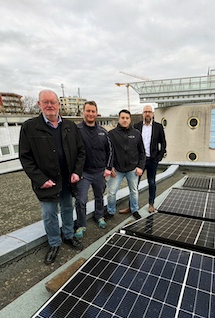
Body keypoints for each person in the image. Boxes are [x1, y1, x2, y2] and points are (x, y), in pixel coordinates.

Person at [19, 89, 85, 265]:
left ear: (58, 105)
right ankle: (54, 243)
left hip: (68, 179)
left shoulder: (70, 126)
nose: (50, 105)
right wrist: (40, 179)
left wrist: (77, 172)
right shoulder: (30, 127)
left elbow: (81, 152)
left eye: (53, 102)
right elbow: (26, 158)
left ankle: (69, 236)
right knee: (49, 214)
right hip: (47, 182)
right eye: (45, 102)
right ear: (39, 104)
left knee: (67, 209)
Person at [74, 101, 113, 238]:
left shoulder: (103, 132)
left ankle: (99, 216)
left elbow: (110, 152)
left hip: (100, 172)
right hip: (84, 173)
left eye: (93, 111)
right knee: (81, 200)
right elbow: (72, 153)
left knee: (99, 197)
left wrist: (108, 168)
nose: (90, 114)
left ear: (96, 113)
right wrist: (76, 172)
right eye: (88, 111)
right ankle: (81, 225)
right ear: (83, 112)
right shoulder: (76, 131)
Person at [119, 105, 166, 214]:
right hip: (139, 161)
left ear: (152, 114)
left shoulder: (158, 127)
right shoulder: (137, 126)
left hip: (152, 160)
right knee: (134, 185)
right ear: (143, 114)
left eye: (149, 112)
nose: (147, 114)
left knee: (152, 182)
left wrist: (158, 157)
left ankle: (151, 204)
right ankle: (131, 206)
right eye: (145, 112)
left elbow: (163, 143)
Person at [105, 109, 146, 220]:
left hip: (132, 169)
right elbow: (107, 152)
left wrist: (140, 167)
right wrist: (110, 167)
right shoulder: (111, 134)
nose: (125, 120)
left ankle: (134, 210)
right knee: (111, 193)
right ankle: (110, 211)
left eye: (127, 118)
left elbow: (142, 152)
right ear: (119, 119)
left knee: (134, 191)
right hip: (117, 170)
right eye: (122, 118)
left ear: (130, 119)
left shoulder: (136, 134)